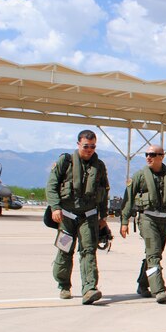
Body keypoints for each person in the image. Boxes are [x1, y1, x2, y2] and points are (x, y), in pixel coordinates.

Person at [45, 130, 111, 305]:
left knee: (89, 250)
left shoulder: (100, 166)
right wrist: (55, 207)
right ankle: (64, 285)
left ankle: (89, 289)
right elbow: (51, 186)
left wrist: (103, 216)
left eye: (92, 146)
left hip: (88, 217)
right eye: (86, 146)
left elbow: (104, 192)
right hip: (66, 217)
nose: (89, 150)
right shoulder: (65, 162)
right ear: (78, 144)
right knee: (65, 250)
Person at [119, 145, 166, 304]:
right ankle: (159, 290)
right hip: (147, 220)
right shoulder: (140, 176)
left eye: (153, 154)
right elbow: (128, 199)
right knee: (154, 254)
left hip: (165, 221)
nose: (148, 157)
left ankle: (142, 284)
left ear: (161, 156)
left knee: (153, 255)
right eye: (147, 154)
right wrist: (124, 221)